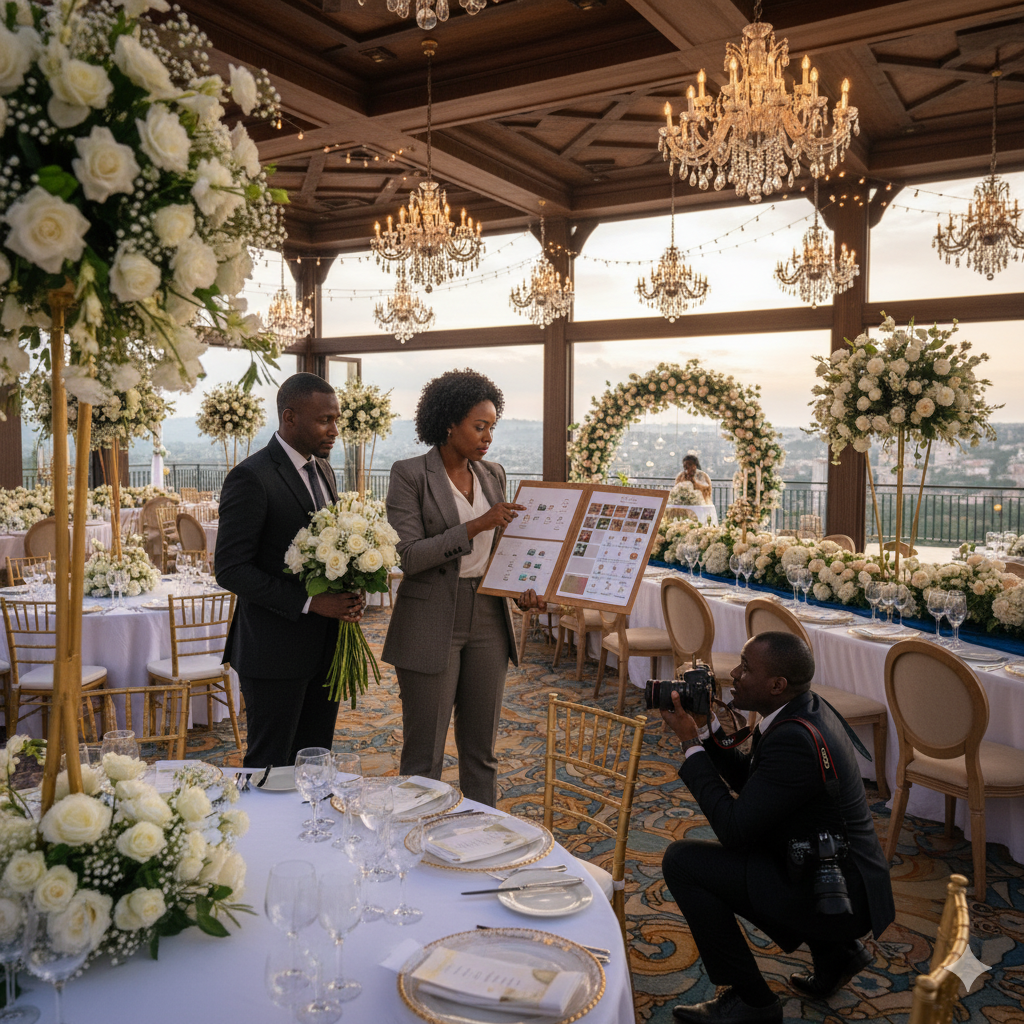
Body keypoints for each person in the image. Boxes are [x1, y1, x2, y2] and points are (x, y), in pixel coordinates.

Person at [659, 632, 894, 1024]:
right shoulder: (802, 709)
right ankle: (836, 954)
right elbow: (756, 785)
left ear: (777, 685)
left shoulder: (795, 740)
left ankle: (753, 1001)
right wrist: (706, 731)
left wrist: (690, 747)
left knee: (683, 861)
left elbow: (734, 829)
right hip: (829, 869)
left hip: (837, 894)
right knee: (747, 856)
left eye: (746, 667)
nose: (734, 673)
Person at [382, 368, 544, 807]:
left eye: (492, 426)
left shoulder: (493, 473)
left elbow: (501, 554)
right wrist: (476, 525)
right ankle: (413, 847)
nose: (487, 436)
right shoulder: (409, 474)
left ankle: (486, 842)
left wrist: (522, 590)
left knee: (482, 751)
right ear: (449, 422)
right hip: (431, 617)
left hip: (489, 616)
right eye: (479, 426)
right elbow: (409, 555)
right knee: (424, 755)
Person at [215, 372, 365, 768]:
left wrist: (352, 585)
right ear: (289, 417)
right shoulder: (251, 477)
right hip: (273, 652)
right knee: (270, 765)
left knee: (314, 761)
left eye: (336, 420)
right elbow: (230, 569)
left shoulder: (325, 471)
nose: (334, 430)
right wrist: (311, 604)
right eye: (324, 420)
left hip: (326, 648)